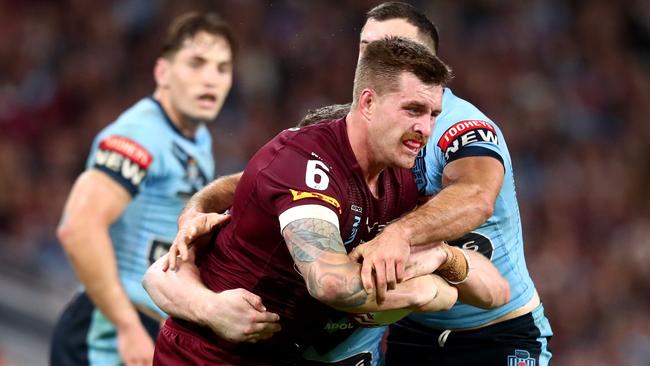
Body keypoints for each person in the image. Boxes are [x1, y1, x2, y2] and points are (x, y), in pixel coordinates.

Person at [159, 2, 553, 366]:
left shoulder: (453, 130)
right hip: (396, 327)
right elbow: (263, 179)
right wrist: (198, 208)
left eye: (394, 46)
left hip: (492, 332)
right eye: (367, 47)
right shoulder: (350, 134)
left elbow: (478, 197)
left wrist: (410, 242)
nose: (376, 56)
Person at [149, 37, 462, 365]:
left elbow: (491, 290)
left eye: (433, 114)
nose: (426, 128)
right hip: (209, 355)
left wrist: (445, 262)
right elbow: (160, 273)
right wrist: (210, 308)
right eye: (413, 109)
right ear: (368, 104)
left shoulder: (402, 175)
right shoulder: (304, 165)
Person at [49, 12, 278, 366]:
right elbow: (78, 228)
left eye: (222, 68)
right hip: (107, 331)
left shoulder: (195, 138)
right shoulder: (139, 135)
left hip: (148, 323)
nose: (211, 79)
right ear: (163, 72)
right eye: (196, 64)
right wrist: (127, 327)